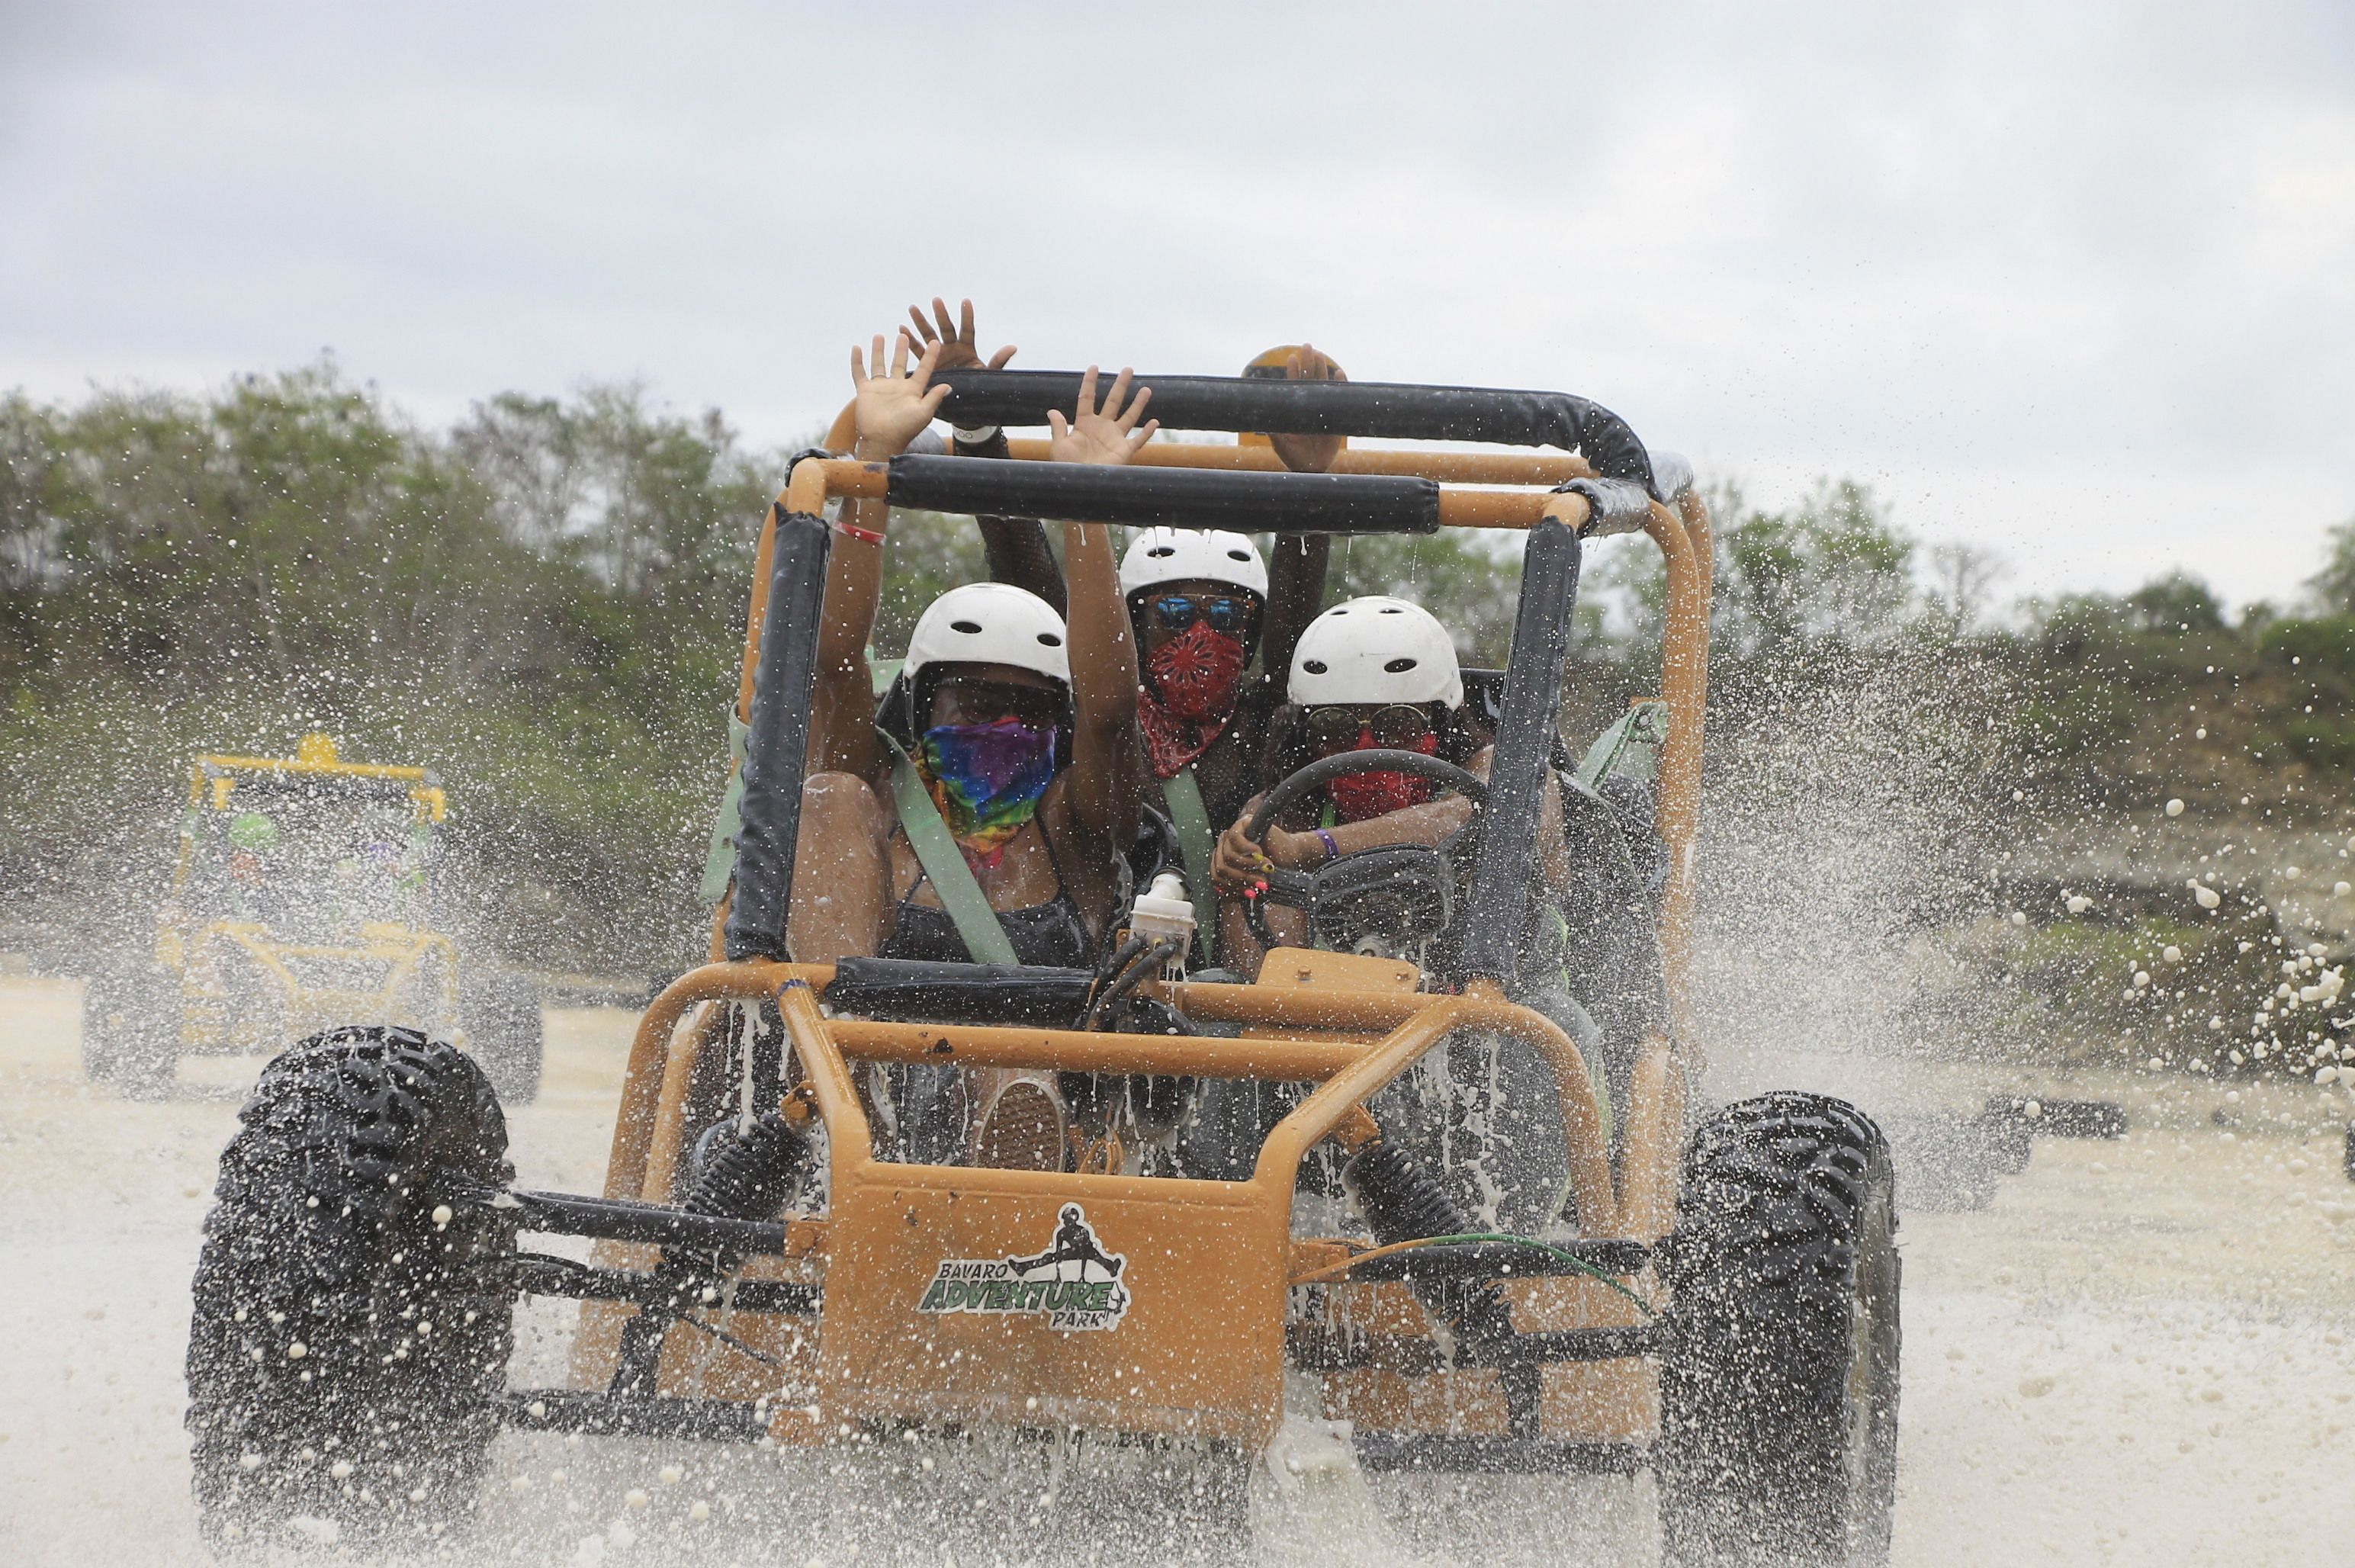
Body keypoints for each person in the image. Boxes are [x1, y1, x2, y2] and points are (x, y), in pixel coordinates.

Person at [786, 329, 1156, 1168]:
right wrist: (874, 466)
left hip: (1035, 1120)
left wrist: (1085, 508)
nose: (997, 724)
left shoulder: (1074, 825)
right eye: (973, 700)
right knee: (825, 796)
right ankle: (844, 1111)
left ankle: (1005, 1174)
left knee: (1008, 1058)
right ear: (922, 705)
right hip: (858, 1101)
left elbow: (1108, 710)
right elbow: (836, 662)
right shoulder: (880, 804)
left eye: (1024, 707)